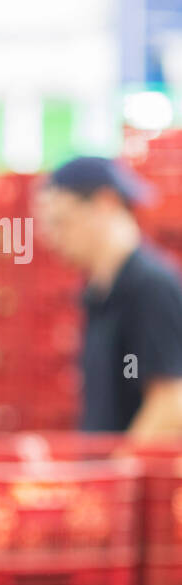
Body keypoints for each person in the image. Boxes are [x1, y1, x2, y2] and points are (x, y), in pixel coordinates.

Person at [35, 155, 182, 439]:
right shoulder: (98, 292)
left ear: (105, 204)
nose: (53, 239)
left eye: (61, 222)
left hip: (132, 479)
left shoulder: (150, 287)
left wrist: (113, 474)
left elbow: (170, 403)